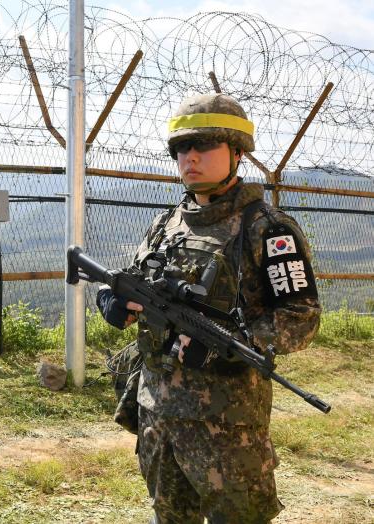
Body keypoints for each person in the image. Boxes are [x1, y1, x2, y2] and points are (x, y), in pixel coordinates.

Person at [96, 93, 321, 523]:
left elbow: (300, 318)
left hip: (226, 425)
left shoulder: (266, 229)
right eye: (182, 148)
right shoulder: (169, 223)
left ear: (237, 152)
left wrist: (230, 345)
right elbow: (133, 276)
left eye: (204, 146)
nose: (190, 158)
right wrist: (111, 298)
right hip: (158, 411)